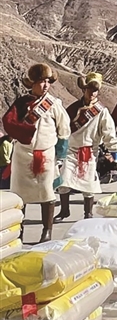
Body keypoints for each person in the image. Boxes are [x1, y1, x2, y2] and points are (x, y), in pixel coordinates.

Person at [2, 63, 70, 243]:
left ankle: (46, 231)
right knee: (20, 196)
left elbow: (64, 130)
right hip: (22, 155)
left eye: (48, 81)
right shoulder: (21, 103)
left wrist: (61, 154)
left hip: (45, 155)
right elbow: (8, 121)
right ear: (32, 83)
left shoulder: (54, 104)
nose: (45, 85)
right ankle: (19, 231)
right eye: (41, 81)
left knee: (46, 193)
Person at [55, 72, 117, 221]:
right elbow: (63, 128)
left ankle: (88, 213)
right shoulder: (73, 108)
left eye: (95, 90)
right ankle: (64, 211)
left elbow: (109, 132)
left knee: (88, 185)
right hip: (71, 150)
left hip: (89, 151)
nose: (92, 93)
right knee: (64, 181)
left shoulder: (101, 111)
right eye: (89, 90)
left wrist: (114, 150)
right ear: (84, 89)